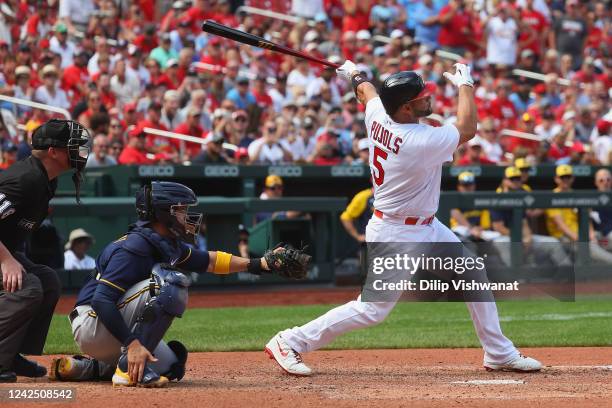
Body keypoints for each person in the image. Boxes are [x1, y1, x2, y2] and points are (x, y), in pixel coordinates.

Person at [264, 62, 542, 376]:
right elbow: (468, 129)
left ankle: (499, 353)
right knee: (372, 310)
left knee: (472, 271)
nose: (429, 98)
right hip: (397, 232)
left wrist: (355, 74)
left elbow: (366, 91)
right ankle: (290, 340)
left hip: (424, 225)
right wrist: (466, 85)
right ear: (407, 107)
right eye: (422, 96)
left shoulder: (379, 115)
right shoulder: (418, 141)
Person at [49, 181, 306, 387]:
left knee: (172, 365)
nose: (187, 215)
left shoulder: (163, 242)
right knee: (172, 284)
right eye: (181, 209)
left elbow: (210, 261)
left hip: (108, 327)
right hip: (92, 322)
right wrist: (133, 344)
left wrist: (259, 264)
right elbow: (100, 300)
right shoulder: (134, 247)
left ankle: (89, 368)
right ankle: (126, 368)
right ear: (164, 213)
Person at [0, 119, 90, 382]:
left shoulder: (44, 180)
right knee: (28, 287)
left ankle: (10, 353)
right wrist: (6, 261)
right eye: (72, 146)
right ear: (53, 151)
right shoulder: (25, 179)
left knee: (47, 280)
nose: (79, 151)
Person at [491, 167, 571, 268]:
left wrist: (528, 237)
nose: (516, 182)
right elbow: (499, 227)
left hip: (521, 237)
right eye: (512, 179)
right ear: (505, 181)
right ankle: (517, 277)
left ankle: (568, 274)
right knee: (504, 243)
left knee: (552, 243)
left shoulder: (521, 196)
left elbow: (524, 223)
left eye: (518, 179)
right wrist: (519, 238)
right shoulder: (498, 198)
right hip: (503, 237)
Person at [545, 165, 612, 264]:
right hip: (563, 237)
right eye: (562, 177)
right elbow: (561, 226)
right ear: (556, 179)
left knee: (601, 238)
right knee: (588, 247)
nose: (565, 180)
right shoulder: (553, 196)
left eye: (568, 177)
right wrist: (580, 238)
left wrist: (591, 233)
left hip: (582, 235)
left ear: (572, 178)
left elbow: (586, 217)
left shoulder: (576, 194)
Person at [591, 169, 612, 251]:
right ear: (596, 183)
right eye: (601, 180)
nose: (605, 182)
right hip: (601, 237)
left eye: (608, 180)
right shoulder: (590, 198)